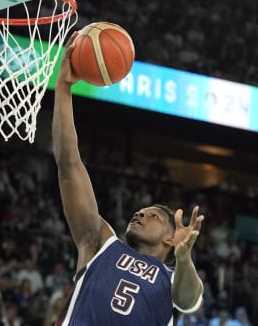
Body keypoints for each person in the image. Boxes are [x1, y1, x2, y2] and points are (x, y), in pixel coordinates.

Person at [51, 36, 205, 325]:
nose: (141, 213)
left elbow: (189, 299)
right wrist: (63, 87)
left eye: (155, 215)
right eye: (143, 211)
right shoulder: (99, 243)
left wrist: (184, 259)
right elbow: (69, 165)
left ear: (170, 239)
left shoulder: (172, 280)